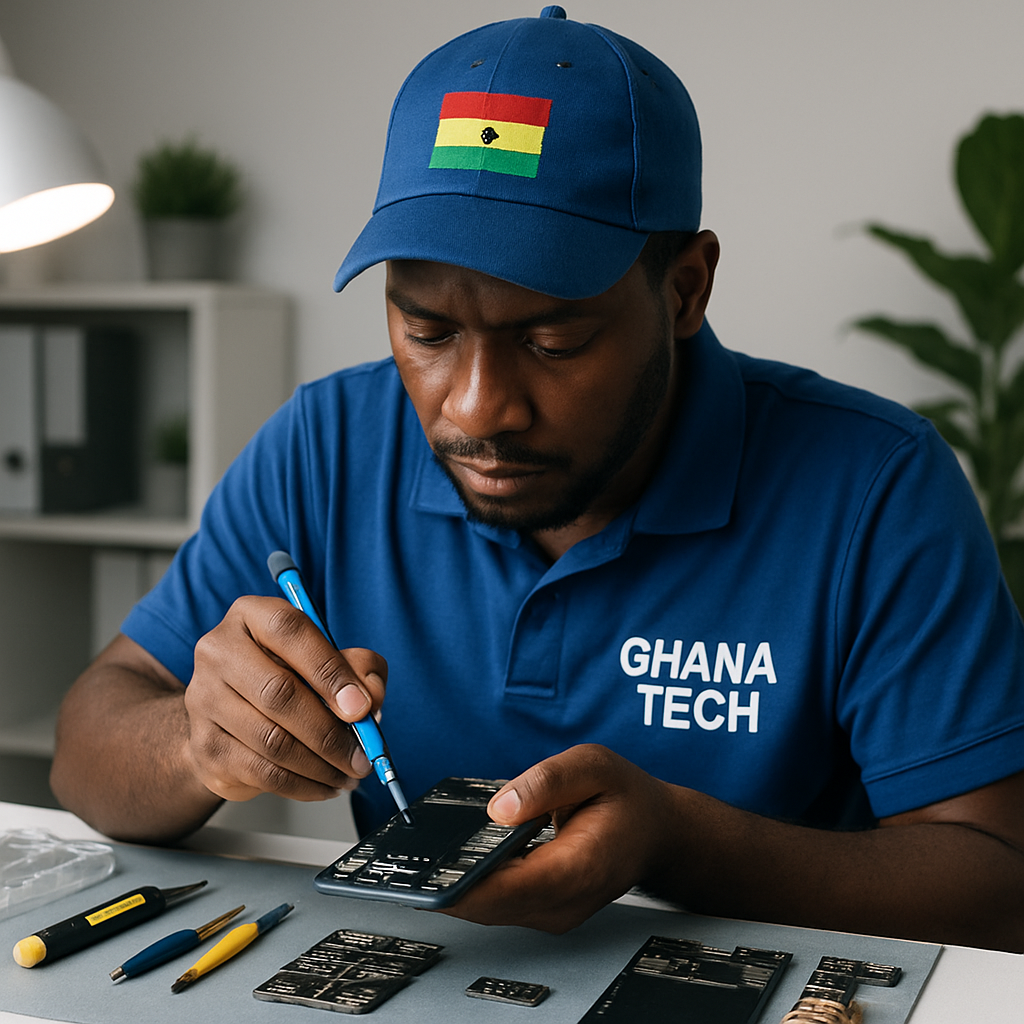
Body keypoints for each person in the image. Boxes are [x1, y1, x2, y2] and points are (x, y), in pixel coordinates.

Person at [50, 7, 1024, 950]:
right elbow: (90, 742)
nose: (475, 409)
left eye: (551, 339)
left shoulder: (876, 486)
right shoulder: (325, 444)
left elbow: (997, 882)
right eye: (426, 331)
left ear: (684, 288)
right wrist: (194, 741)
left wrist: (678, 841)